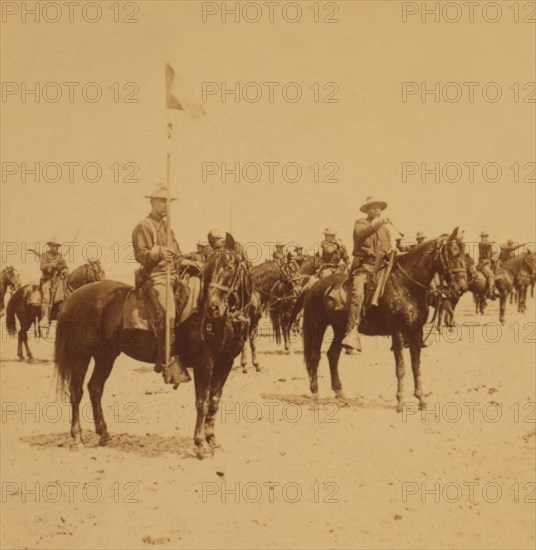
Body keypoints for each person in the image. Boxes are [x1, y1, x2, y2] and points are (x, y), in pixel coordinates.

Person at [132, 183, 200, 387]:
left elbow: (177, 256)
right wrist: (158, 253)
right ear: (152, 202)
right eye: (161, 201)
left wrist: (186, 261)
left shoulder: (167, 228)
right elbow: (141, 255)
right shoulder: (144, 226)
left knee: (196, 300)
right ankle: (166, 361)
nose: (165, 205)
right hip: (156, 277)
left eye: (168, 202)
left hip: (173, 276)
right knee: (169, 314)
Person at [342, 197, 391, 354]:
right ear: (367, 211)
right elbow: (363, 233)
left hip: (381, 268)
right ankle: (350, 333)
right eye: (373, 208)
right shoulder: (360, 224)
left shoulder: (386, 231)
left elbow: (388, 249)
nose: (376, 210)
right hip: (364, 267)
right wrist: (378, 223)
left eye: (378, 208)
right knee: (357, 296)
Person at [39, 238, 68, 329]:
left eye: (57, 247)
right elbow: (42, 266)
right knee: (46, 297)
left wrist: (64, 270)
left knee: (66, 293)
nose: (56, 248)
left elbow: (65, 266)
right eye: (54, 246)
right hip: (47, 279)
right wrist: (51, 265)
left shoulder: (60, 256)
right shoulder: (45, 255)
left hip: (58, 279)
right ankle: (44, 319)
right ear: (50, 246)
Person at [477, 231, 498, 299]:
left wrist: (494, 256)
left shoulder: (489, 245)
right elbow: (486, 245)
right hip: (483, 263)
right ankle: (490, 293)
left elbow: (491, 254)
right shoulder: (481, 244)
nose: (484, 238)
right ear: (481, 238)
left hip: (489, 263)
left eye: (485, 236)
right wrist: (491, 242)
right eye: (483, 237)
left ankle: (494, 289)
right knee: (490, 275)